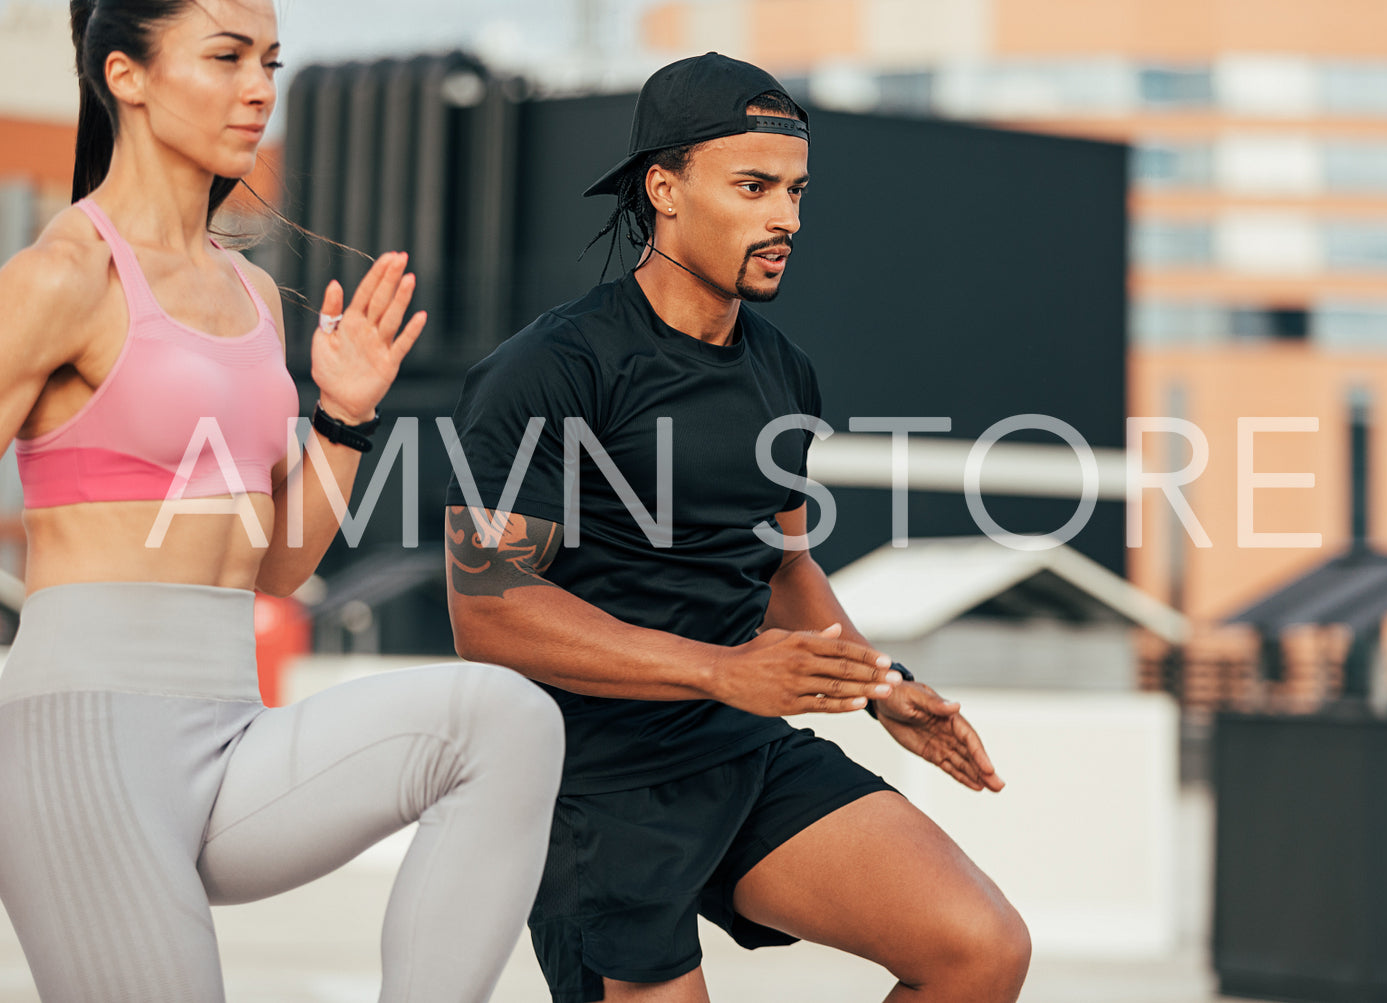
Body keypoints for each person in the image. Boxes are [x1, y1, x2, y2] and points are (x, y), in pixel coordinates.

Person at [0, 1, 563, 1000]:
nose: (259, 87)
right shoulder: (63, 276)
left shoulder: (253, 295)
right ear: (125, 76)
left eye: (269, 60)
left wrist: (344, 423)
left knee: (506, 721)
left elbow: (276, 565)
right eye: (224, 57)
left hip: (228, 731)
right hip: (82, 740)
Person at [445, 52, 1031, 1003]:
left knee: (978, 949)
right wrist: (724, 669)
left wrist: (881, 683)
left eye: (795, 191)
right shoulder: (551, 369)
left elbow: (785, 570)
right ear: (663, 188)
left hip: (740, 750)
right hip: (592, 784)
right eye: (753, 187)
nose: (785, 218)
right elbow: (489, 612)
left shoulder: (782, 371)